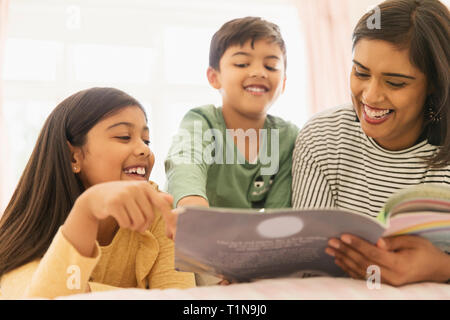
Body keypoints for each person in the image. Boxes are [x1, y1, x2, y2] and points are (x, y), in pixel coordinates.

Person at [292, 0, 450, 286]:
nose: (371, 96)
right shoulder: (322, 136)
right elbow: (307, 263)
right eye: (361, 73)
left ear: (435, 83)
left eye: (395, 83)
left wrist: (440, 268)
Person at [0, 87, 195, 299]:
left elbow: (182, 300)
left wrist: (89, 291)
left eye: (146, 140)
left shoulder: (156, 208)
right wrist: (86, 209)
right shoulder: (26, 238)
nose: (144, 150)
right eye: (123, 137)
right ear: (74, 157)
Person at [165, 16, 299, 211]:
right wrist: (192, 206)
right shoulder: (202, 121)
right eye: (242, 64)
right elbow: (185, 163)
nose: (259, 72)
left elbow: (277, 215)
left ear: (284, 82)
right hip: (185, 231)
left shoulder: (287, 138)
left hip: (240, 239)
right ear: (214, 77)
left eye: (271, 66)